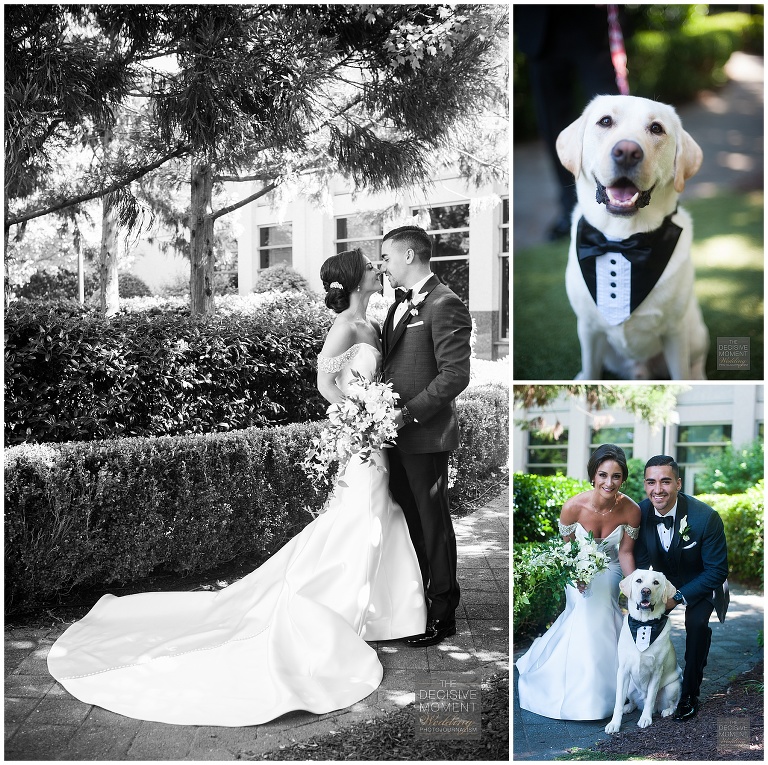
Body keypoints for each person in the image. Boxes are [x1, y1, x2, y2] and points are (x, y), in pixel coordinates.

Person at [46, 248, 427, 726]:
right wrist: (356, 415)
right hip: (360, 438)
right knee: (361, 515)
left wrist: (372, 410)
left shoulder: (373, 324)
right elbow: (325, 384)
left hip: (376, 438)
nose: (378, 269)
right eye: (371, 265)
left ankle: (379, 614)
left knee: (374, 516)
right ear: (354, 280)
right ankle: (330, 611)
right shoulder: (345, 328)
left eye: (379, 263)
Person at [379, 225, 473, 647]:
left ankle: (443, 613)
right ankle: (417, 605)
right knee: (410, 523)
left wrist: (408, 415)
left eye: (387, 257)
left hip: (425, 435)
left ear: (409, 256)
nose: (383, 265)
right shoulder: (396, 306)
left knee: (433, 525)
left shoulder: (444, 304)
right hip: (390, 437)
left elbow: (456, 375)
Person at [516, 444, 641, 719]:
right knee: (583, 606)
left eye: (616, 476)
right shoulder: (572, 507)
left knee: (602, 602)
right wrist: (576, 577)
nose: (609, 482)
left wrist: (634, 588)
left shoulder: (631, 510)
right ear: (593, 476)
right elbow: (568, 551)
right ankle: (581, 692)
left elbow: (625, 552)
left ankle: (614, 685)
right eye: (603, 475)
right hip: (577, 570)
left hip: (610, 568)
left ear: (623, 479)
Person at [633, 455, 729, 721]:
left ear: (678, 483)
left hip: (701, 582)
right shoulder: (639, 514)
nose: (658, 489)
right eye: (651, 482)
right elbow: (641, 561)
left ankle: (689, 693)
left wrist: (678, 597)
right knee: (637, 618)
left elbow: (717, 570)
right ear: (644, 484)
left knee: (696, 624)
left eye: (665, 481)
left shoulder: (705, 518)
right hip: (661, 584)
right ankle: (639, 686)